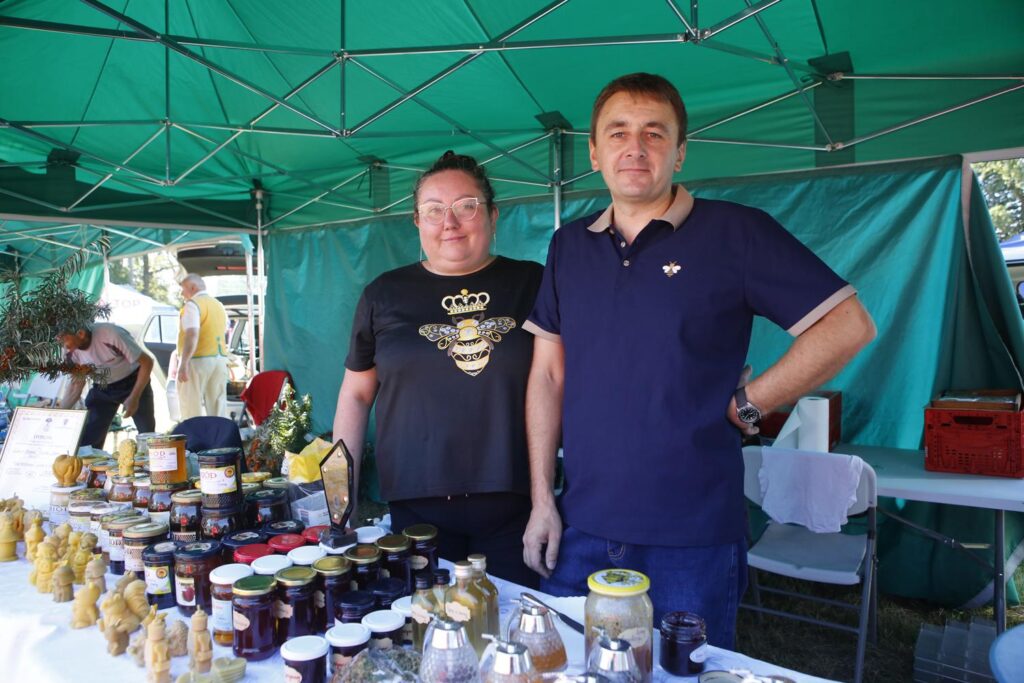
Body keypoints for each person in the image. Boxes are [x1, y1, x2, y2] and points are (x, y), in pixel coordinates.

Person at [521, 73, 877, 647]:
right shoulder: (568, 245)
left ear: (680, 152)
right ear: (593, 153)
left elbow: (848, 326)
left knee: (685, 675)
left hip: (693, 537)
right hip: (580, 526)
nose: (635, 147)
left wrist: (749, 405)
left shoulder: (736, 233)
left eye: (654, 133)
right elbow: (547, 374)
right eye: (618, 133)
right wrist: (543, 499)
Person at [333, 151, 543, 586]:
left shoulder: (533, 284)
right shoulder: (384, 294)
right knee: (426, 621)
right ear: (417, 222)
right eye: (433, 210)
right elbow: (355, 395)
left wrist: (549, 501)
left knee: (511, 623)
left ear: (493, 215)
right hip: (416, 509)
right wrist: (340, 503)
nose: (449, 222)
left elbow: (558, 382)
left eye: (466, 206)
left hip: (515, 507)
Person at [59, 322, 156, 449]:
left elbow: (147, 362)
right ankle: (92, 460)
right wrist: (57, 414)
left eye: (63, 338)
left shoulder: (111, 334)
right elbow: (75, 385)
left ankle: (150, 458)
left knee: (147, 433)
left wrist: (135, 397)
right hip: (102, 387)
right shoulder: (69, 352)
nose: (61, 344)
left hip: (133, 381)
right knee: (88, 438)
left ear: (81, 334)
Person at [176, 274, 229, 419]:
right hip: (220, 359)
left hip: (197, 359)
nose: (181, 293)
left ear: (193, 287)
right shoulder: (219, 305)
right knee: (218, 406)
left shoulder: (193, 304)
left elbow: (192, 334)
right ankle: (219, 433)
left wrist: (183, 363)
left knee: (190, 405)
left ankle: (193, 433)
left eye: (183, 289)